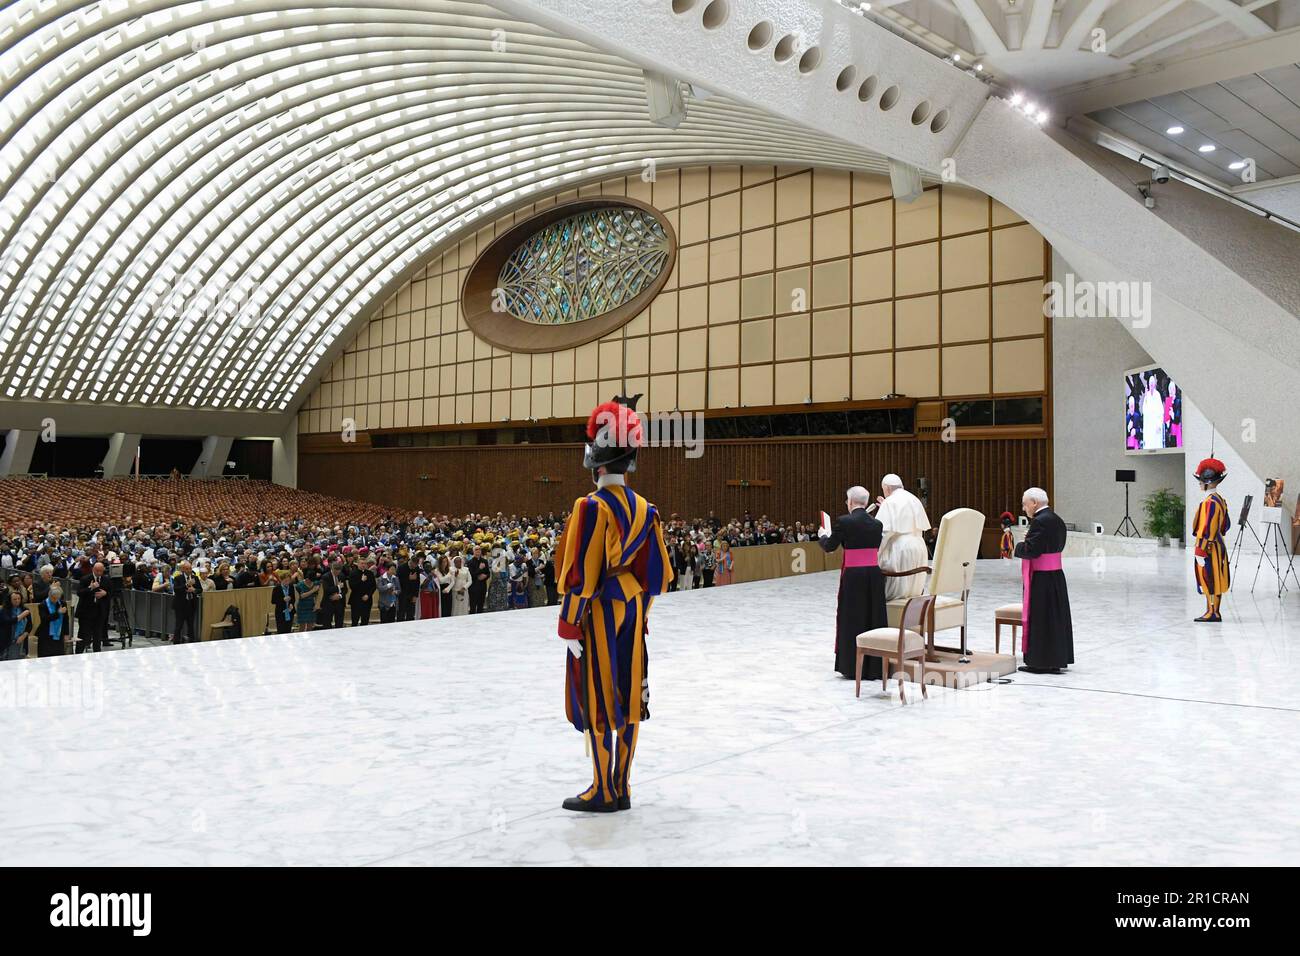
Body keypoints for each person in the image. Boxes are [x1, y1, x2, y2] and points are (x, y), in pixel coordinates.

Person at [556, 395, 672, 813]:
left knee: (601, 697)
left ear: (596, 463)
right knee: (628, 695)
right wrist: (640, 614)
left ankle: (602, 788)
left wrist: (568, 624)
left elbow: (581, 576)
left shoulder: (590, 507)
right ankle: (621, 785)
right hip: (635, 607)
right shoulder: (646, 509)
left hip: (601, 608)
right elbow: (656, 577)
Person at [817, 486, 887, 681]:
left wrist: (822, 535)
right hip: (874, 575)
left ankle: (851, 665)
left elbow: (830, 547)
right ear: (866, 502)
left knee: (852, 616)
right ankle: (874, 666)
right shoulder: (877, 524)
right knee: (873, 615)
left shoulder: (843, 521)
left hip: (853, 575)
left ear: (850, 501)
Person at [1014, 487, 1073, 674]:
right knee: (1054, 618)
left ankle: (1040, 662)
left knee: (1041, 617)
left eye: (1025, 504)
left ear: (1034, 503)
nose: (1024, 508)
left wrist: (1019, 546)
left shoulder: (1040, 522)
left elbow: (1032, 550)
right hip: (1056, 576)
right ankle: (1056, 659)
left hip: (1041, 579)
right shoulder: (1056, 519)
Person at [876, 474, 932, 601]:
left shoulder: (890, 502)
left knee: (897, 590)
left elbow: (884, 533)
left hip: (900, 548)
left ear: (887, 488)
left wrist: (876, 554)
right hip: (919, 546)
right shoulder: (914, 499)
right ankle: (912, 610)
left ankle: (895, 613)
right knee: (913, 587)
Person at [1191, 458, 1230, 623]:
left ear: (1207, 482)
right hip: (1218, 544)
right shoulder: (1220, 500)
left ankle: (1212, 612)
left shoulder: (1210, 503)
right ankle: (1214, 611)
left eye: (1201, 481)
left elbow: (1208, 528)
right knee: (1215, 578)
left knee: (1209, 578)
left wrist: (1203, 548)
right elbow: (1225, 525)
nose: (1199, 484)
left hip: (1209, 546)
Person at [76, 562, 111, 652]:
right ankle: (78, 652)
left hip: (99, 612)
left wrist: (105, 593)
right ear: (93, 570)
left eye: (101, 571)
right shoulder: (85, 579)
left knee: (97, 635)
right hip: (86, 612)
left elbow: (112, 592)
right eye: (97, 571)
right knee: (83, 635)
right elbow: (79, 593)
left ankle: (97, 653)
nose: (99, 573)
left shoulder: (106, 580)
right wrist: (90, 588)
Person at [34, 585, 70, 658]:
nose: (56, 600)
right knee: (45, 658)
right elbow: (44, 619)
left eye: (57, 598)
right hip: (46, 635)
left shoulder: (62, 603)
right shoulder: (43, 605)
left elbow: (66, 619)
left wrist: (66, 633)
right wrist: (58, 613)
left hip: (59, 634)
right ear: (49, 595)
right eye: (54, 598)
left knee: (59, 656)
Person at [171, 560, 201, 643]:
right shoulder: (178, 578)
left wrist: (194, 590)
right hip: (180, 605)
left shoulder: (195, 578)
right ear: (183, 569)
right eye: (187, 569)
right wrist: (186, 585)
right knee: (179, 625)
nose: (189, 570)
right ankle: (176, 642)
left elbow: (200, 590)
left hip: (191, 604)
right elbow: (176, 590)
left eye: (190, 568)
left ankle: (191, 641)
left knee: (191, 625)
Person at [1, 589, 32, 660]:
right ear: (10, 600)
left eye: (19, 599)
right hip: (8, 639)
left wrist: (24, 635)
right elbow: (8, 621)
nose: (17, 601)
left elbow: (30, 625)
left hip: (21, 639)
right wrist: (21, 616)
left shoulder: (25, 609)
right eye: (14, 599)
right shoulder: (4, 610)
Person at [319, 559, 348, 629]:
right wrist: (338, 587)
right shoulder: (325, 577)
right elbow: (327, 590)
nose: (338, 572)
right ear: (332, 569)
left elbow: (345, 589)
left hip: (340, 603)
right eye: (336, 571)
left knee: (339, 623)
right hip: (328, 603)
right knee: (327, 624)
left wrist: (339, 596)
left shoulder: (342, 576)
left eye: (339, 571)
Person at [349, 558, 376, 627]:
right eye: (361, 563)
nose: (363, 565)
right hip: (356, 601)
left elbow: (373, 586)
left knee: (365, 621)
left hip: (367, 600)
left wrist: (368, 595)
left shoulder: (370, 573)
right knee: (355, 621)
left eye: (365, 563)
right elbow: (353, 587)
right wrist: (361, 581)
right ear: (358, 564)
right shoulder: (353, 573)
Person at [271, 570, 296, 634]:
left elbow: (293, 598)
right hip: (280, 612)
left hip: (290, 611)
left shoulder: (291, 586)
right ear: (281, 580)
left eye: (289, 580)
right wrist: (283, 600)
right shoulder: (277, 588)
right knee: (281, 631)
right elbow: (273, 601)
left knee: (288, 630)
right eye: (285, 581)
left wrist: (291, 604)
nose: (287, 582)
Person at [467, 546, 490, 613]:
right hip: (473, 587)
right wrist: (480, 569)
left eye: (480, 549)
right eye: (476, 549)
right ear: (473, 551)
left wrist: (485, 576)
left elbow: (488, 573)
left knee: (481, 605)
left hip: (482, 586)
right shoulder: (470, 562)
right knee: (473, 606)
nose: (478, 550)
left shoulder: (484, 561)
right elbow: (471, 575)